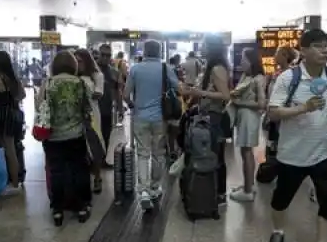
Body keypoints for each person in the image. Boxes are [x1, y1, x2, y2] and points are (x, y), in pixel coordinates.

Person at [266, 28, 327, 242]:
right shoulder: (288, 79)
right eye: (319, 45)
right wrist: (303, 108)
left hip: (323, 152)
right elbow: (273, 112)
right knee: (281, 199)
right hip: (292, 154)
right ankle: (278, 231)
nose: (325, 50)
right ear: (303, 50)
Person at [38, 51, 93, 225]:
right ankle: (83, 206)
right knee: (80, 170)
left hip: (53, 137)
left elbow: (40, 106)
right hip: (75, 135)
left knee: (56, 172)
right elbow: (87, 109)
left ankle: (57, 210)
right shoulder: (81, 83)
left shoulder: (47, 84)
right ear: (73, 65)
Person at [124, 40, 179, 210]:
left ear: (144, 51)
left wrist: (133, 106)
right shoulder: (165, 69)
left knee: (142, 154)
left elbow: (126, 95)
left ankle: (144, 191)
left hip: (140, 117)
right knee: (158, 154)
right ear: (160, 51)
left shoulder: (135, 69)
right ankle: (155, 187)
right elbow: (177, 88)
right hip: (160, 118)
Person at [181, 35, 231, 204]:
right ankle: (213, 191)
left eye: (204, 45)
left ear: (211, 47)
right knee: (210, 153)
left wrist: (200, 93)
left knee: (216, 154)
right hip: (207, 115)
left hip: (215, 116)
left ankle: (220, 193)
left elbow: (225, 95)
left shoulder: (217, 69)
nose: (200, 48)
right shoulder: (209, 67)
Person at [228, 48, 266, 203]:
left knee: (247, 152)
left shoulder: (258, 78)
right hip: (243, 117)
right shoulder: (247, 76)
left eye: (244, 59)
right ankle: (248, 183)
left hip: (249, 118)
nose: (241, 62)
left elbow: (261, 104)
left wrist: (239, 102)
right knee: (245, 152)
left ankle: (248, 191)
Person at [0, 50, 26, 193]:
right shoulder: (13, 78)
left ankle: (13, 183)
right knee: (13, 148)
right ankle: (16, 180)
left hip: (2, 117)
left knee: (7, 150)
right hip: (14, 114)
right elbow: (22, 95)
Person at [75, 48, 105, 194]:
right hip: (76, 117)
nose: (77, 64)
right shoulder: (72, 77)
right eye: (75, 61)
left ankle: (97, 177)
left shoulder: (96, 75)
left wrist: (83, 87)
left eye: (80, 61)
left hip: (92, 116)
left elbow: (98, 94)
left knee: (95, 146)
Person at [96, 44, 118, 167]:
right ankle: (95, 161)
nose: (105, 57)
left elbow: (116, 90)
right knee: (95, 137)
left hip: (107, 109)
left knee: (106, 135)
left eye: (108, 55)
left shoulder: (112, 71)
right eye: (103, 54)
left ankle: (103, 160)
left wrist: (119, 107)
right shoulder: (93, 70)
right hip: (94, 110)